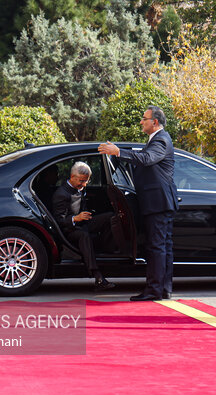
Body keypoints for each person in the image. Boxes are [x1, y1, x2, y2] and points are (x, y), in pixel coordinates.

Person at [98, 106, 178, 301]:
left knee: (157, 247)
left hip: (157, 202)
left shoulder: (160, 140)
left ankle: (154, 290)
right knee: (163, 247)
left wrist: (118, 152)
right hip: (160, 202)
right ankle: (163, 288)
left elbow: (147, 159)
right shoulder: (157, 139)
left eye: (144, 119)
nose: (141, 122)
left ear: (155, 122)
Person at [51, 161, 116, 292]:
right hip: (69, 229)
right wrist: (76, 218)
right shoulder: (61, 194)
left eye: (87, 181)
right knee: (84, 235)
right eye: (81, 181)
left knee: (111, 216)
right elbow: (58, 221)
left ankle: (108, 247)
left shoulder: (81, 188)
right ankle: (97, 276)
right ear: (72, 177)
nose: (84, 184)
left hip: (83, 222)